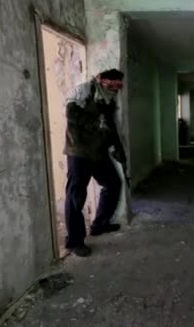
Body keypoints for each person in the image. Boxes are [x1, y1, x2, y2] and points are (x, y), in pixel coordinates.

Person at [63, 68, 127, 257]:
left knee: (113, 184)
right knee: (75, 198)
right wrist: (95, 121)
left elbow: (110, 125)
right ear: (101, 81)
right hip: (79, 153)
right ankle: (75, 242)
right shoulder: (83, 91)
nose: (115, 90)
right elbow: (71, 115)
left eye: (118, 87)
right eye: (112, 85)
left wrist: (117, 147)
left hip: (98, 153)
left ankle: (99, 225)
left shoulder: (108, 99)